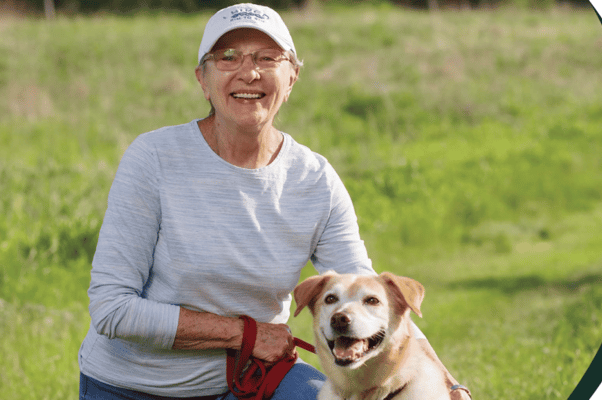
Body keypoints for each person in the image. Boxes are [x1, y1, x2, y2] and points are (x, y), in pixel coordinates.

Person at [78, 3, 471, 400]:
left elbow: (375, 300)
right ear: (203, 78)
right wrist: (244, 334)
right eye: (228, 57)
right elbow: (113, 309)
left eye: (268, 58)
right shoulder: (154, 157)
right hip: (131, 386)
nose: (249, 72)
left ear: (293, 76)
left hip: (256, 380)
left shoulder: (315, 179)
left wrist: (448, 384)